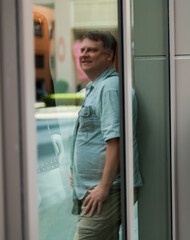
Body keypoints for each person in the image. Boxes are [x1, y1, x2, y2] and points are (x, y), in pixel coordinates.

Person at [69, 30, 122, 239]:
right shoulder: (95, 87)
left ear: (108, 55)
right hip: (91, 191)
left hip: (103, 193)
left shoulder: (109, 87)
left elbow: (115, 141)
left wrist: (104, 187)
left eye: (92, 50)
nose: (84, 54)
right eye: (82, 50)